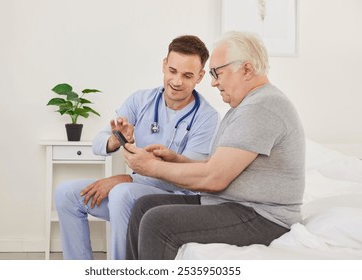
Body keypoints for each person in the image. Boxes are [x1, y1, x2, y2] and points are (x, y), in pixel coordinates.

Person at [123, 31, 305, 260]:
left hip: (264, 215)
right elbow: (216, 165)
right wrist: (177, 159)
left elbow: (214, 178)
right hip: (233, 204)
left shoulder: (263, 107)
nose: (213, 82)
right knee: (143, 206)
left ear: (246, 70)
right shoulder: (244, 107)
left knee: (157, 221)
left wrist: (150, 167)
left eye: (217, 72)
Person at [54, 35, 220, 260]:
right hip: (135, 191)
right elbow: (97, 143)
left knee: (122, 192)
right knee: (66, 194)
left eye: (187, 75)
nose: (177, 81)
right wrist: (116, 139)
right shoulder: (140, 100)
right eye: (172, 71)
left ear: (200, 76)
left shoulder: (206, 117)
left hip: (177, 198)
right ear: (164, 65)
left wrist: (124, 179)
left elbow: (187, 175)